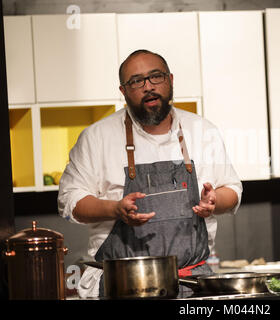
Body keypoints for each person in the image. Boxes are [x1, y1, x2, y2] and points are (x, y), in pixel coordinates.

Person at [57, 49, 243, 298]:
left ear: (170, 80)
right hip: (122, 287)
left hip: (193, 285)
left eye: (156, 76)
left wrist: (214, 201)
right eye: (136, 81)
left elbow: (232, 189)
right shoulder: (97, 137)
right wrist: (115, 209)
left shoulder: (203, 131)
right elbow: (70, 201)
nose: (148, 87)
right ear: (123, 91)